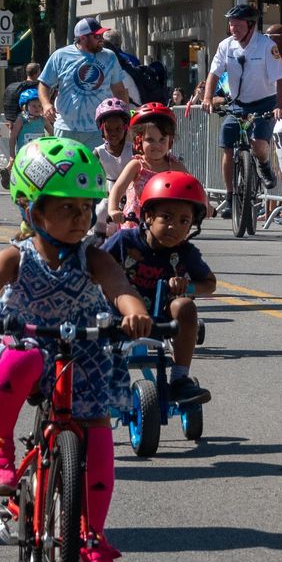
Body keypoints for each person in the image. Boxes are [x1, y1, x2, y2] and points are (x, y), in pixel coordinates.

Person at [0, 137, 151, 562]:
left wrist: (134, 311)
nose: (80, 219)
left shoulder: (94, 256)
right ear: (31, 209)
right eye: (67, 209)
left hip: (83, 353)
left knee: (98, 434)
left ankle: (92, 536)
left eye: (85, 209)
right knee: (21, 356)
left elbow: (118, 285)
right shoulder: (16, 257)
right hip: (27, 345)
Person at [103, 170, 218, 406]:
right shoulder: (125, 241)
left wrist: (188, 287)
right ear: (148, 216)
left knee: (185, 306)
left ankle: (179, 380)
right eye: (166, 217)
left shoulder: (185, 252)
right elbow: (94, 265)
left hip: (161, 319)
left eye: (184, 221)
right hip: (117, 319)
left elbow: (210, 284)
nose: (174, 227)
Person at [193, 4, 282, 215]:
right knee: (227, 144)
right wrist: (208, 98)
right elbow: (214, 74)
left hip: (265, 101)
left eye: (238, 25)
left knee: (258, 143)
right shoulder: (226, 46)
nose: (233, 29)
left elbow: (281, 79)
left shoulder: (266, 46)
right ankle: (229, 195)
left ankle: (263, 165)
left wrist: (280, 106)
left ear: (251, 25)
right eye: (231, 24)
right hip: (238, 103)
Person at [41, 16, 136, 150]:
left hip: (98, 128)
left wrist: (126, 120)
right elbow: (44, 83)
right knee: (67, 169)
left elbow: (119, 91)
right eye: (97, 37)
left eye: (102, 35)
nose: (101, 39)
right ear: (83, 38)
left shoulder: (109, 56)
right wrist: (46, 104)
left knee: (96, 169)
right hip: (66, 127)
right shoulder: (60, 56)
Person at [107, 102, 188, 223]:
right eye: (150, 140)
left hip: (165, 226)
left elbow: (192, 187)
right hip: (135, 223)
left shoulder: (175, 166)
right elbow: (118, 189)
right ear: (139, 141)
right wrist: (113, 209)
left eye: (162, 140)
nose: (157, 145)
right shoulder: (137, 165)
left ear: (170, 141)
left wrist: (205, 204)